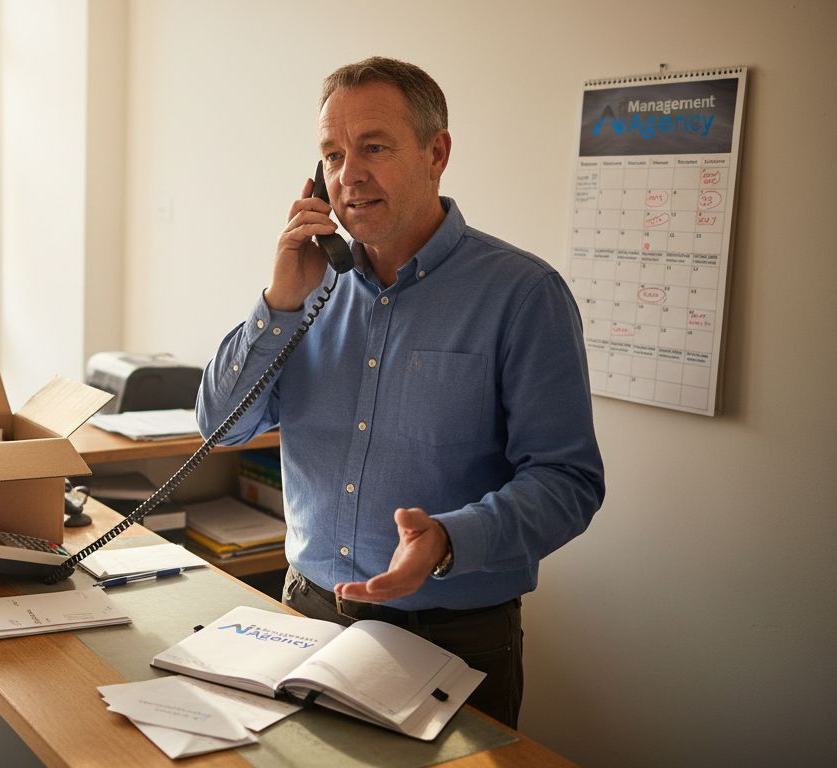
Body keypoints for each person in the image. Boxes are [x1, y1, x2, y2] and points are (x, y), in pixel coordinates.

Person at [195, 57, 604, 729]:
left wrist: (448, 539)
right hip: (305, 616)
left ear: (436, 152)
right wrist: (277, 302)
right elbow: (219, 430)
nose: (348, 173)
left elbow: (568, 480)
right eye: (332, 154)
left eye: (374, 148)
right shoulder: (306, 289)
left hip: (454, 636)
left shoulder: (523, 295)